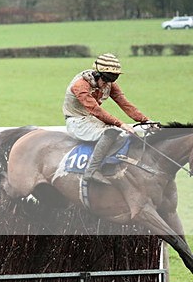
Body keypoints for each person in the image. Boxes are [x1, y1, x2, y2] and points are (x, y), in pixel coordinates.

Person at [63, 53, 152, 184]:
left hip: (91, 119)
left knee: (123, 136)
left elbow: (124, 103)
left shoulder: (109, 84)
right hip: (76, 120)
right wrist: (120, 124)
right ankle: (91, 170)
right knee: (111, 132)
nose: (107, 84)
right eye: (105, 80)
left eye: (112, 80)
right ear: (97, 74)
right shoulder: (80, 86)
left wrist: (145, 120)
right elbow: (95, 110)